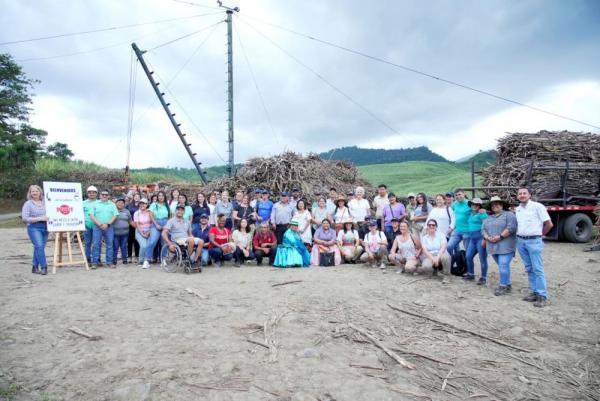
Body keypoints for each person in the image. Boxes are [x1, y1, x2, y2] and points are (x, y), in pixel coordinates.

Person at [515, 187, 553, 308]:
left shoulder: (538, 206)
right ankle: (534, 292)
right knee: (529, 268)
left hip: (534, 241)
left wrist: (540, 235)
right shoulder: (518, 209)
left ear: (529, 195)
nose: (522, 195)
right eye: (520, 194)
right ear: (517, 196)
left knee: (537, 268)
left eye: (524, 193)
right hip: (521, 241)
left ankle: (542, 295)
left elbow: (549, 224)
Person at [482, 196, 517, 296]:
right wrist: (487, 237)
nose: (495, 206)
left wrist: (500, 237)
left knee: (503, 264)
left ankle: (503, 286)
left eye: (497, 204)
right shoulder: (488, 218)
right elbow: (483, 230)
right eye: (493, 205)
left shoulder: (509, 215)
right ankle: (508, 283)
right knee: (503, 266)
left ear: (502, 205)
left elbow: (511, 228)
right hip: (492, 246)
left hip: (506, 246)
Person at [22, 185, 49, 275]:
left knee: (39, 247)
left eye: (36, 191)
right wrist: (39, 218)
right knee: (39, 246)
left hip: (45, 227)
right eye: (32, 191)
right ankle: (44, 266)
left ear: (40, 192)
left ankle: (34, 266)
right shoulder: (28, 204)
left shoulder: (45, 202)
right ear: (30, 193)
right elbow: (25, 218)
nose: (34, 193)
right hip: (34, 227)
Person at [89, 189, 118, 269]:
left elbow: (115, 215)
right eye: (103, 194)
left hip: (109, 227)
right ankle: (95, 262)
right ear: (100, 195)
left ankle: (109, 262)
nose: (104, 196)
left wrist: (108, 224)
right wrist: (100, 224)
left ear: (108, 196)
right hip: (97, 227)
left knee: (109, 245)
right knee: (96, 245)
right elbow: (91, 216)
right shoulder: (95, 204)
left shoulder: (112, 204)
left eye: (106, 195)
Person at [463, 198, 489, 284]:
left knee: (482, 258)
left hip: (480, 238)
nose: (474, 206)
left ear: (480, 206)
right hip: (472, 239)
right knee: (468, 256)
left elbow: (487, 226)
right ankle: (471, 274)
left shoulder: (482, 214)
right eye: (473, 204)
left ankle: (483, 277)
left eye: (477, 204)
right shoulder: (471, 213)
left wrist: (485, 239)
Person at [420, 219, 451, 283]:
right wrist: (433, 258)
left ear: (436, 227)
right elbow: (424, 250)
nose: (431, 226)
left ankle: (447, 276)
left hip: (441, 253)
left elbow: (443, 247)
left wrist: (437, 258)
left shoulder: (441, 235)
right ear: (427, 227)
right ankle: (435, 269)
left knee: (446, 257)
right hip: (430, 255)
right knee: (426, 266)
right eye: (429, 225)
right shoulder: (424, 238)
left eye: (433, 225)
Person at [447, 189, 471, 258]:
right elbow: (448, 213)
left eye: (459, 194)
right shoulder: (454, 204)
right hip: (457, 230)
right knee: (449, 246)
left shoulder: (469, 203)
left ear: (464, 194)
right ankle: (453, 262)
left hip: (467, 231)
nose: (458, 196)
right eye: (456, 195)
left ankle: (466, 266)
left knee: (468, 252)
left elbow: (476, 212)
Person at [149, 191, 170, 263]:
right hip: (156, 222)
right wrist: (156, 224)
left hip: (165, 223)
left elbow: (169, 216)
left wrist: (167, 225)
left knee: (164, 243)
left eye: (162, 195)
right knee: (152, 241)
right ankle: (147, 259)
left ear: (164, 197)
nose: (161, 197)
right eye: (159, 196)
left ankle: (163, 259)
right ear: (157, 197)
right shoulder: (153, 204)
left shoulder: (167, 205)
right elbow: (151, 215)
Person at [112, 198, 132, 267]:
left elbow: (130, 221)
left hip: (125, 233)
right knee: (115, 247)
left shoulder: (127, 211)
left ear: (124, 204)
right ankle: (114, 260)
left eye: (122, 203)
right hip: (115, 233)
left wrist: (137, 227)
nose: (120, 204)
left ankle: (124, 260)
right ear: (116, 203)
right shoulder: (113, 211)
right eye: (119, 202)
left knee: (124, 246)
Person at [83, 185, 99, 263]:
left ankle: (97, 258)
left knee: (96, 243)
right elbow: (80, 214)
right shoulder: (83, 203)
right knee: (87, 243)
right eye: (90, 193)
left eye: (93, 192)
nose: (91, 194)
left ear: (96, 193)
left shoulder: (100, 202)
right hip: (87, 226)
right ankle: (88, 258)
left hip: (97, 226)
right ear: (87, 193)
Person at [126, 192, 141, 263]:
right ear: (133, 197)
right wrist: (130, 222)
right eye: (135, 196)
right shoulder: (129, 205)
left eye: (138, 196)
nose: (137, 198)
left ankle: (137, 256)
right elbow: (126, 214)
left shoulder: (141, 205)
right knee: (130, 241)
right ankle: (129, 256)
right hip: (130, 225)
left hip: (139, 225)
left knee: (137, 241)